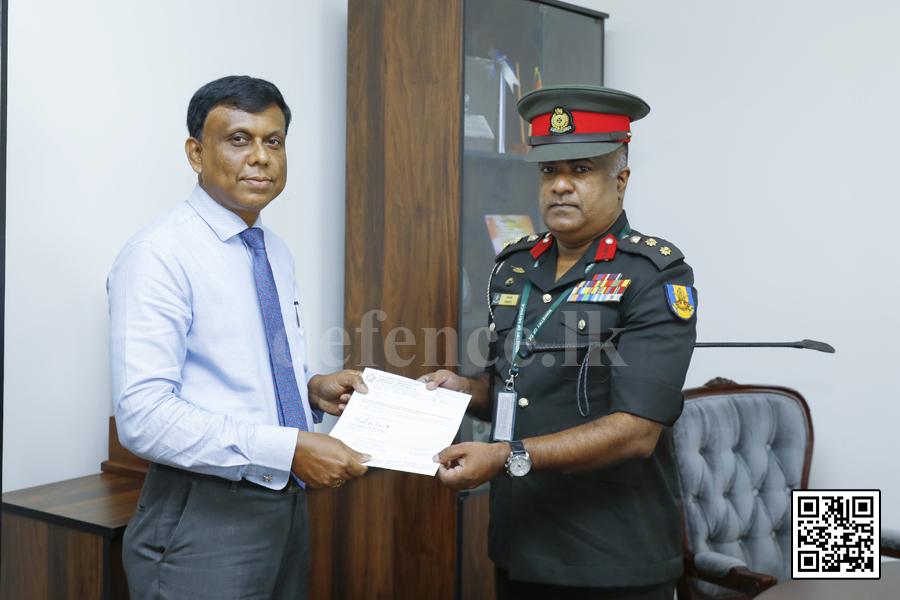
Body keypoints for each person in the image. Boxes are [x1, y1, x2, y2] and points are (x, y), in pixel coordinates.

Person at [421, 85, 697, 600]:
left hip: (613, 552)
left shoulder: (654, 275)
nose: (561, 186)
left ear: (621, 179)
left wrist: (506, 455)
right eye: (550, 172)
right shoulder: (515, 267)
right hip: (520, 540)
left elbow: (636, 431)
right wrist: (457, 388)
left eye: (581, 169)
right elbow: (516, 390)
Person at [107, 75, 369, 600]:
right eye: (238, 139)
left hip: (285, 507)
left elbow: (241, 367)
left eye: (273, 141)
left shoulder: (271, 248)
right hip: (203, 514)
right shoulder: (159, 255)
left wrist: (309, 389)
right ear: (195, 152)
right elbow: (143, 416)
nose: (260, 156)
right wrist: (289, 447)